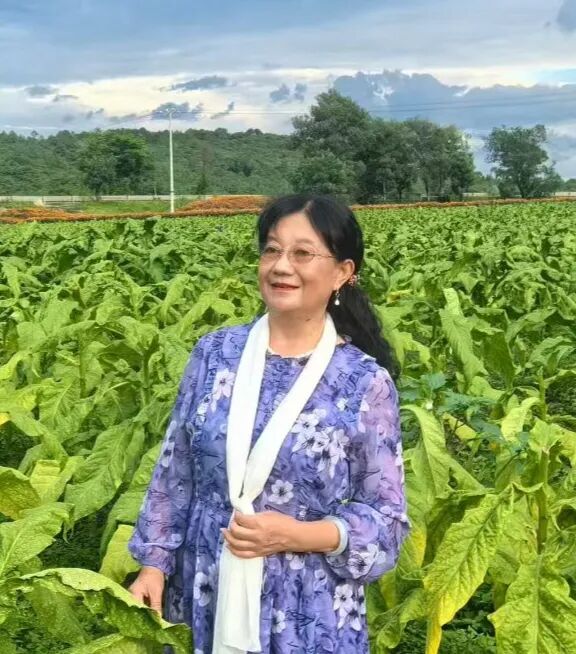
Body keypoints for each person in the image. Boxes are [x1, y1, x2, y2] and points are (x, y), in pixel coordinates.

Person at [128, 194, 409, 654]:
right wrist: (153, 566)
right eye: (272, 250)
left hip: (306, 608)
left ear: (342, 273)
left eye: (303, 253)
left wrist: (296, 534)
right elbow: (173, 473)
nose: (281, 266)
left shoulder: (363, 382)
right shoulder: (215, 354)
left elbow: (387, 521)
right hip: (205, 586)